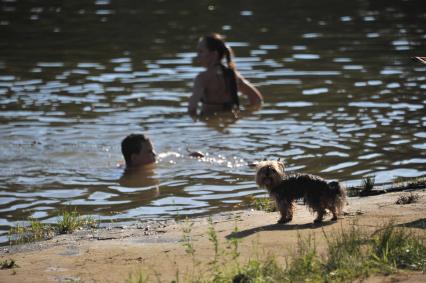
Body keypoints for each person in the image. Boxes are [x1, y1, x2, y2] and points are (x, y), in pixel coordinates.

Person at [188, 33, 263, 115]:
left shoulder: (202, 78)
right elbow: (256, 100)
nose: (197, 56)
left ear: (214, 54)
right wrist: (241, 115)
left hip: (209, 124)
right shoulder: (233, 75)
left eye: (201, 51)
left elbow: (192, 109)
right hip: (230, 123)